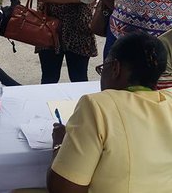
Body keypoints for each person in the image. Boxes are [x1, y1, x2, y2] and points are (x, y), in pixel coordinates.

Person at [47, 32, 172, 193]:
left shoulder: (96, 106)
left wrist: (59, 143)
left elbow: (63, 189)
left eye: (102, 67)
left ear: (115, 68)